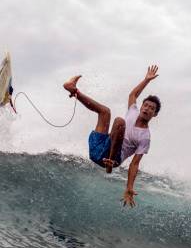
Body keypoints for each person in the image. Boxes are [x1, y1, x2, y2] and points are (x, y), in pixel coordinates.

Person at [63, 65, 161, 207]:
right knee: (105, 112)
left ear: (155, 114)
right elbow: (133, 95)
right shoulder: (133, 111)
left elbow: (134, 164)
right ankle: (74, 90)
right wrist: (146, 80)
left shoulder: (145, 137)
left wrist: (129, 188)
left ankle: (109, 164)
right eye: (145, 105)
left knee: (119, 122)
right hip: (98, 147)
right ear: (141, 107)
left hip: (111, 159)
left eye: (151, 108)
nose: (147, 109)